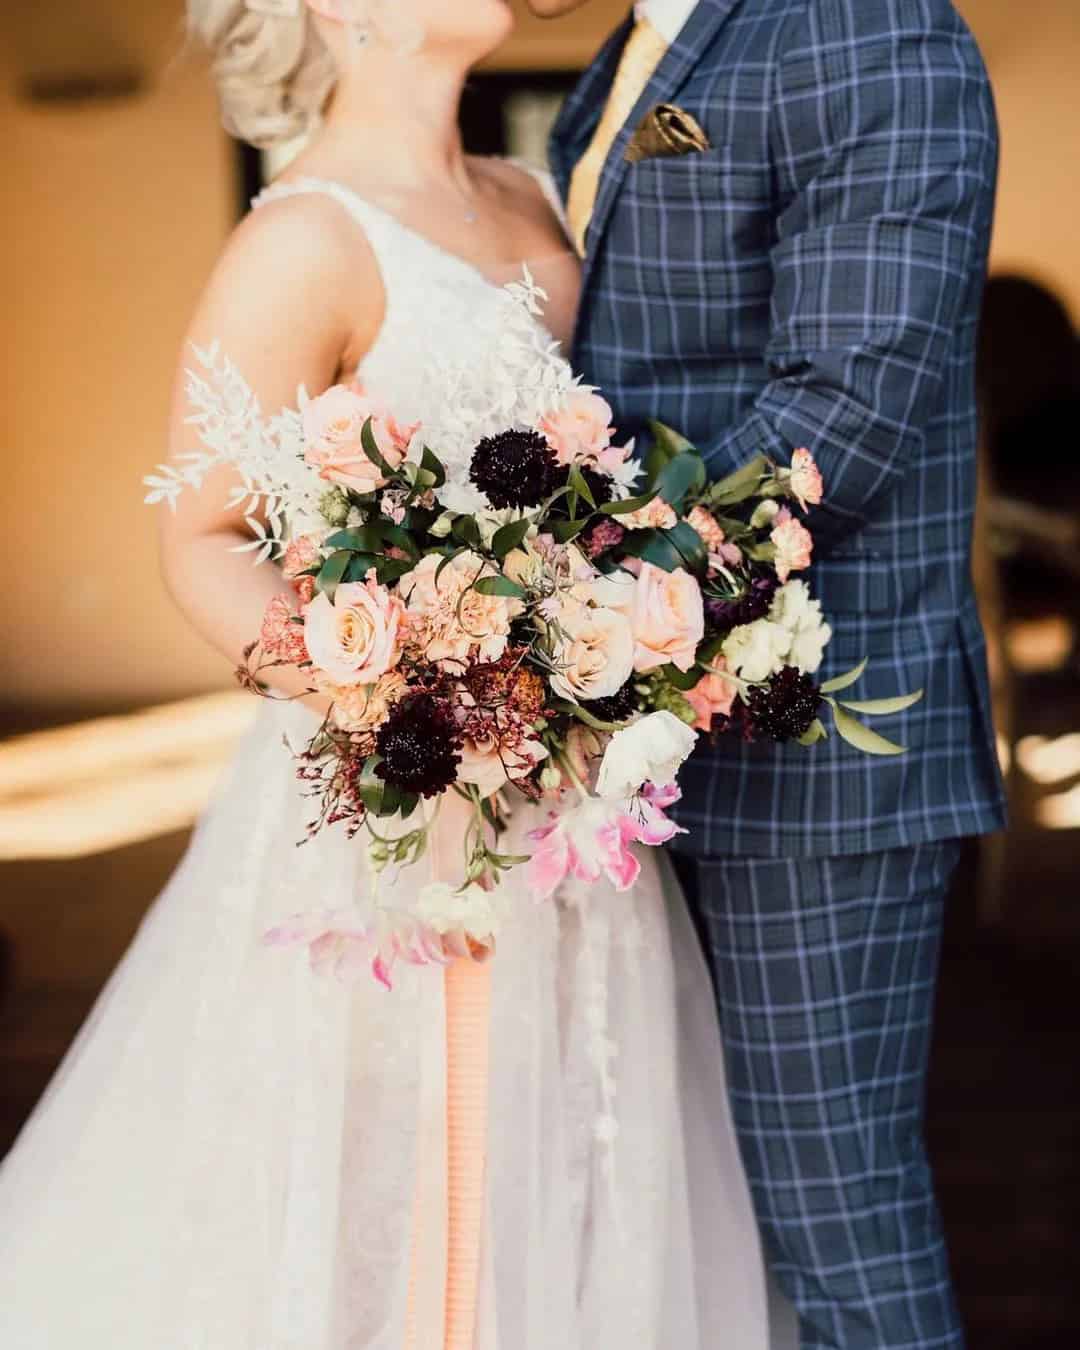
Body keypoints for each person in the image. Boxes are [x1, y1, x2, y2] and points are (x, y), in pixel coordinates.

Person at [0, 3, 789, 1348]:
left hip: (583, 812)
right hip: (404, 825)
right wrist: (395, 699)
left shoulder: (537, 188)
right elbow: (195, 536)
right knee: (397, 1190)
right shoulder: (302, 237)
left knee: (581, 1164)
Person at [529, 0, 1008, 1346]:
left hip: (808, 760)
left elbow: (838, 420)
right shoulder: (634, 46)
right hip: (630, 751)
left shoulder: (869, 29)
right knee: (689, 1214)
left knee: (833, 1221)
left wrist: (575, 622)